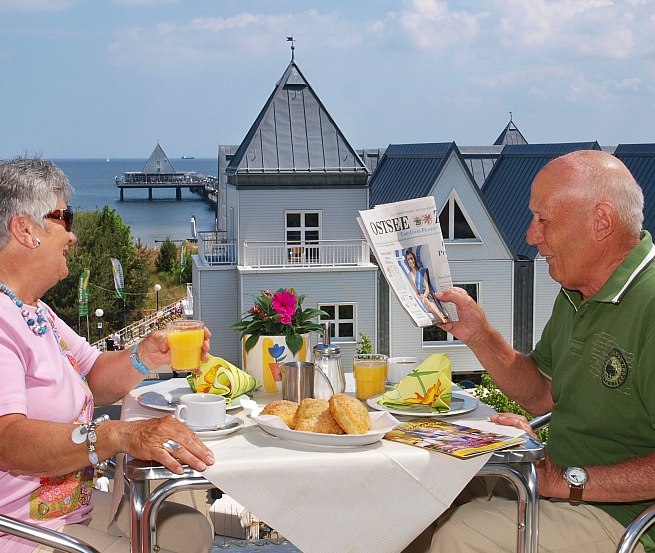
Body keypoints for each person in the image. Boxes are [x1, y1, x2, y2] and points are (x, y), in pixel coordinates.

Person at [413, 150, 655, 553]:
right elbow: (543, 393)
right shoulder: (579, 290)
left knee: (461, 534)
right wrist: (480, 334)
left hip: (625, 521)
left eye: (544, 219)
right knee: (418, 499)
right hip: (561, 487)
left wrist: (563, 480)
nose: (530, 234)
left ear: (601, 222)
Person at [0, 157, 215, 553]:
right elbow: (8, 441)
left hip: (67, 508)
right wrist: (116, 434)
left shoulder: (36, 311)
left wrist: (148, 356)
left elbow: (95, 375)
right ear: (25, 228)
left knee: (189, 531)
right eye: (66, 216)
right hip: (22, 531)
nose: (73, 236)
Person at [404, 249, 448, 323]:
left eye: (411, 258)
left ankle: (441, 318)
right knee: (424, 301)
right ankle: (441, 317)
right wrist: (419, 296)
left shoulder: (421, 271)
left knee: (427, 300)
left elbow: (427, 288)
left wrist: (424, 296)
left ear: (414, 258)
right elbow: (415, 289)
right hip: (420, 298)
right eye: (408, 259)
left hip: (427, 296)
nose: (410, 261)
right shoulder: (410, 275)